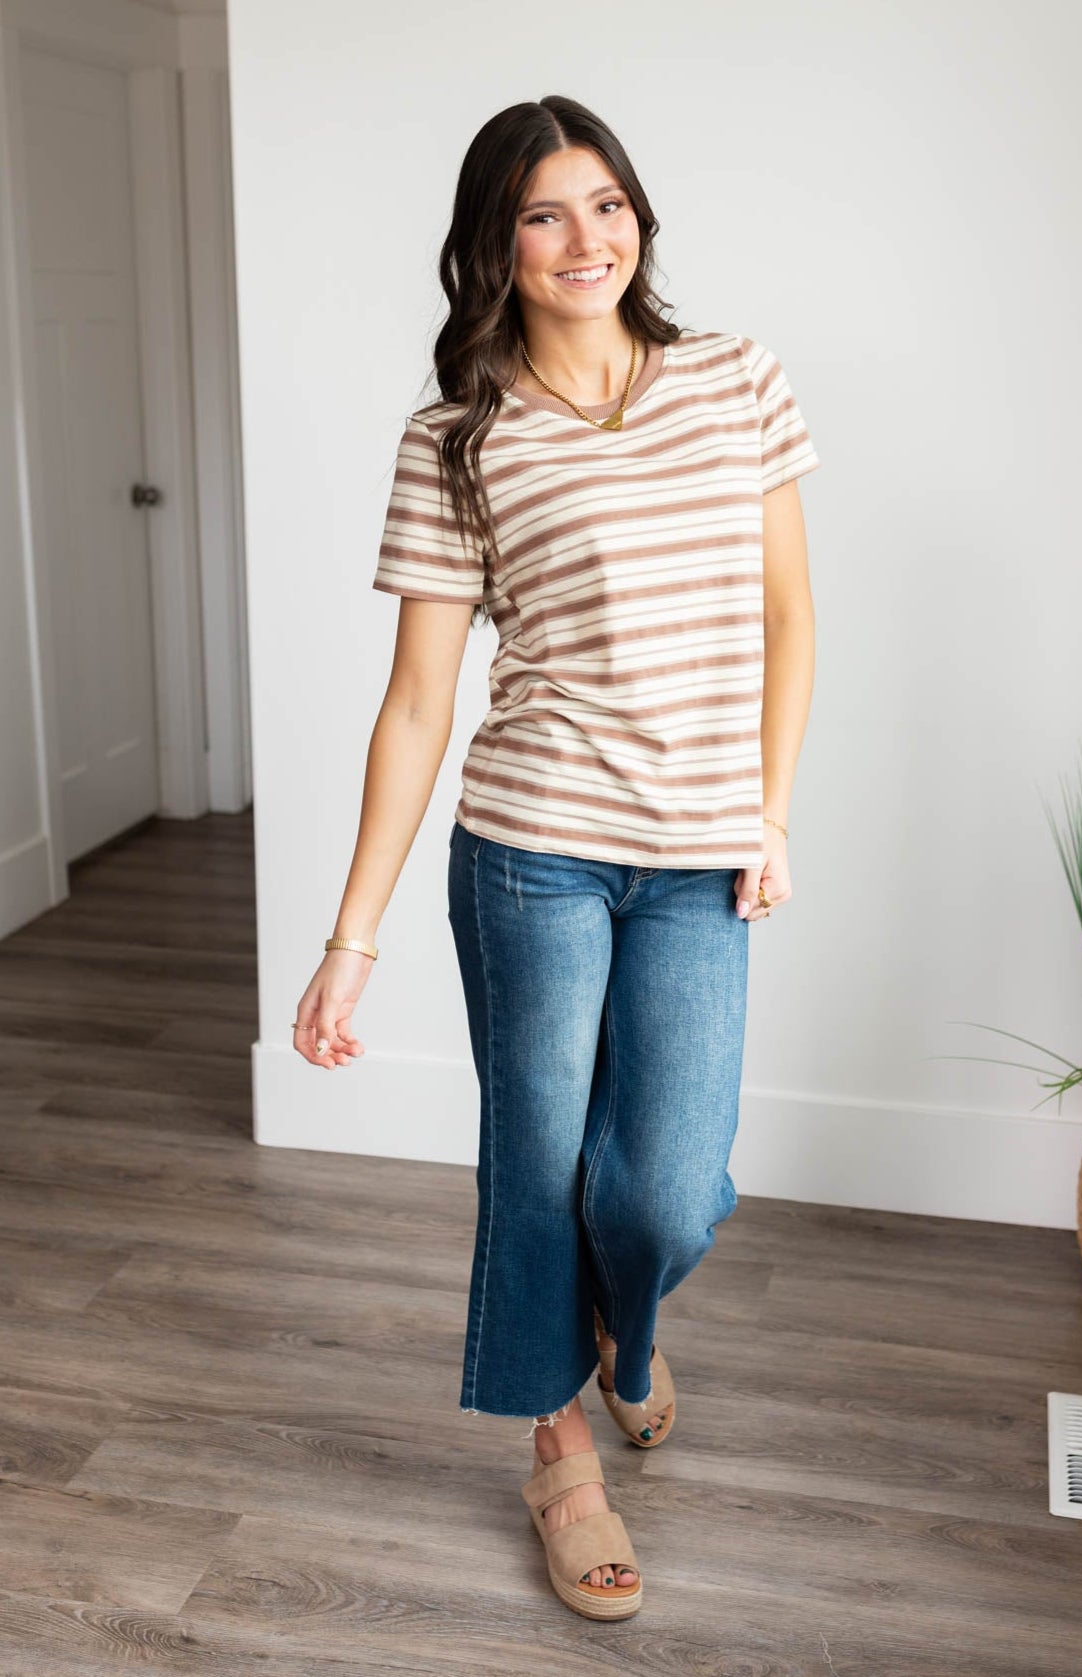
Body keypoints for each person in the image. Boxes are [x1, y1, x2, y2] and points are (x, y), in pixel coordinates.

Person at [290, 94, 820, 1622]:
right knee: (536, 1164)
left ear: (637, 218)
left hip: (700, 853)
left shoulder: (733, 381)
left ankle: (630, 1335)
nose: (584, 238)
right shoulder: (456, 439)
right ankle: (559, 1449)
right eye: (542, 213)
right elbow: (414, 705)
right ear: (494, 246)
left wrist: (768, 808)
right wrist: (352, 934)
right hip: (528, 848)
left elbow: (790, 618)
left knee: (663, 1191)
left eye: (606, 203)